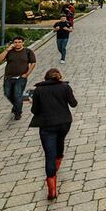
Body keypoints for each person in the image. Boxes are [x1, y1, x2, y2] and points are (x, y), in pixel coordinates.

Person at [29, 68, 77, 201]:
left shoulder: (38, 90)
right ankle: (58, 161)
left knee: (49, 154)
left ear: (45, 78)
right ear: (59, 77)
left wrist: (33, 102)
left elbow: (35, 110)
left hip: (47, 126)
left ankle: (52, 189)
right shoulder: (65, 87)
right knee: (60, 142)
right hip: (64, 123)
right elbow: (73, 104)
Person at [0, 36, 36, 120]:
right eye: (15, 42)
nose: (17, 44)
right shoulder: (10, 52)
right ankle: (16, 106)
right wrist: (7, 49)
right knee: (8, 94)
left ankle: (18, 112)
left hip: (21, 78)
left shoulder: (27, 51)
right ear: (13, 43)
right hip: (8, 77)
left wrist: (27, 74)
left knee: (17, 95)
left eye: (19, 42)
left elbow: (33, 63)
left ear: (23, 42)